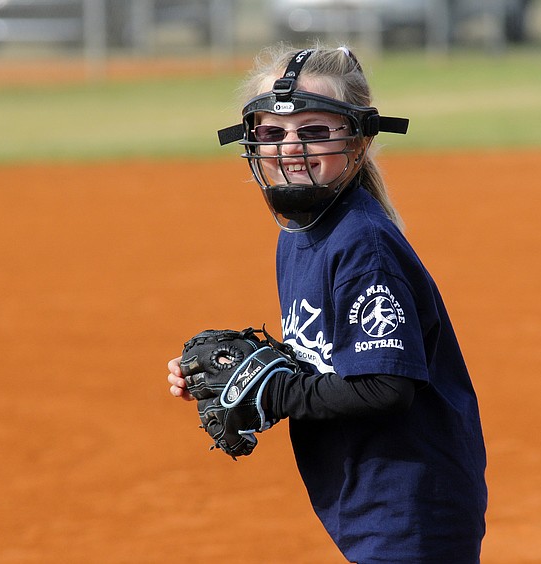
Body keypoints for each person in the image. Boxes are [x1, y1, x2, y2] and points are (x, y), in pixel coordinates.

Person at [168, 43, 487, 563]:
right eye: (272, 133)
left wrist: (274, 394)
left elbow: (386, 386)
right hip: (369, 496)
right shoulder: (301, 231)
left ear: (358, 141)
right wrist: (242, 377)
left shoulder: (363, 244)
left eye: (315, 132)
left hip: (409, 503)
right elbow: (330, 358)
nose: (290, 148)